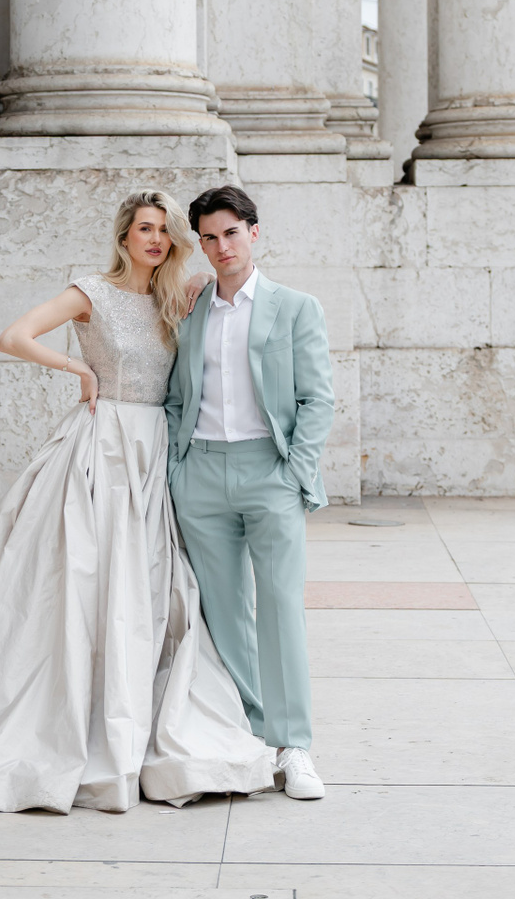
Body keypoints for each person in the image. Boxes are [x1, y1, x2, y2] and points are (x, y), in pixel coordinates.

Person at [0, 190, 277, 813]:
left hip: (154, 453)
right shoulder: (91, 292)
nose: (155, 239)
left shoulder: (178, 296)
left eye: (164, 230)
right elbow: (13, 336)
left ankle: (138, 712)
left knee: (144, 587)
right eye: (144, 229)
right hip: (102, 447)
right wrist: (78, 370)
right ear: (123, 236)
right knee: (77, 582)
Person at [165, 184, 334, 801]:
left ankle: (294, 747)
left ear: (253, 233)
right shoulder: (189, 310)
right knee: (225, 614)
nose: (221, 247)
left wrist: (294, 473)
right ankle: (254, 738)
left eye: (231, 233)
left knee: (282, 607)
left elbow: (318, 399)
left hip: (270, 472)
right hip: (202, 474)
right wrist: (178, 468)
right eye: (209, 238)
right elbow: (176, 395)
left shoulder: (296, 308)